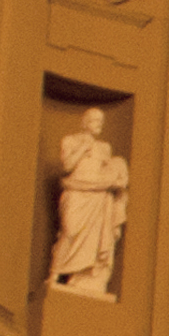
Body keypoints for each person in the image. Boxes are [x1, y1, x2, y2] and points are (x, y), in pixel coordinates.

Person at [49, 109, 129, 296]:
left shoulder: (104, 148)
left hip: (97, 195)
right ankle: (54, 274)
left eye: (101, 121)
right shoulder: (71, 141)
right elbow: (67, 166)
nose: (99, 124)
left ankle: (85, 276)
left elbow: (110, 170)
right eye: (94, 120)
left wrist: (117, 176)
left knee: (94, 238)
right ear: (84, 122)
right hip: (76, 191)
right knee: (69, 231)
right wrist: (82, 150)